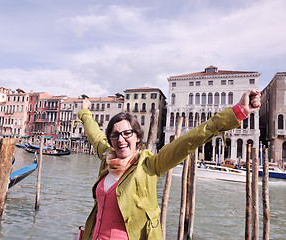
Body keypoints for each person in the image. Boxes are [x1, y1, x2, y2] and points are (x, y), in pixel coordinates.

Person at [77, 89, 261, 240]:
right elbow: (94, 133)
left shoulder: (150, 164)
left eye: (127, 133)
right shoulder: (107, 158)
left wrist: (238, 111)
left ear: (138, 136)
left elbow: (191, 139)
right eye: (115, 135)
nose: (121, 139)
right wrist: (85, 111)